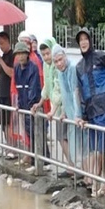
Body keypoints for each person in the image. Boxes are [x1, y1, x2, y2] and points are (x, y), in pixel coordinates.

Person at [76, 27, 105, 197]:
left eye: (85, 39)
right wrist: (82, 115)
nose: (83, 42)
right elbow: (81, 93)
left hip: (102, 107)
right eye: (80, 40)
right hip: (89, 110)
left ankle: (97, 183)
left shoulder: (100, 57)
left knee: (100, 149)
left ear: (90, 40)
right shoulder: (79, 67)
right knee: (96, 147)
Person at [52, 44, 85, 170]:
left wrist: (77, 115)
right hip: (70, 114)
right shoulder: (60, 73)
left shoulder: (72, 68)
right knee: (74, 144)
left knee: (83, 146)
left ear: (65, 57)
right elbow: (64, 94)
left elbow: (74, 92)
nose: (59, 63)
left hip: (78, 115)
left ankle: (87, 176)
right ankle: (78, 171)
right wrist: (64, 112)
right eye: (56, 62)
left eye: (60, 60)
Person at [12, 41, 41, 169]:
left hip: (32, 106)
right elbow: (19, 87)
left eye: (23, 53)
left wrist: (30, 106)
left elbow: (33, 89)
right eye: (18, 54)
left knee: (36, 132)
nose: (20, 56)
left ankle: (40, 161)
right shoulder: (17, 68)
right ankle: (32, 158)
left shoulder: (33, 68)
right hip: (23, 105)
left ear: (27, 54)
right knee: (29, 133)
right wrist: (19, 104)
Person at [31, 37, 60, 165]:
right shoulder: (46, 65)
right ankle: (72, 168)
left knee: (66, 138)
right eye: (44, 55)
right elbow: (47, 87)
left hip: (64, 106)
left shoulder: (58, 65)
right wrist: (40, 103)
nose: (46, 57)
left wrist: (53, 110)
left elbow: (59, 89)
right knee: (61, 137)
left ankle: (74, 169)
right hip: (56, 106)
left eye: (48, 54)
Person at [0, 30, 16, 158]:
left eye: (2, 43)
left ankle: (12, 148)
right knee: (4, 122)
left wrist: (1, 61)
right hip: (1, 92)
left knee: (9, 122)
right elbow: (1, 76)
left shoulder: (11, 56)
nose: (0, 46)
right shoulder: (4, 56)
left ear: (8, 42)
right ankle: (8, 146)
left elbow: (11, 73)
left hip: (8, 93)